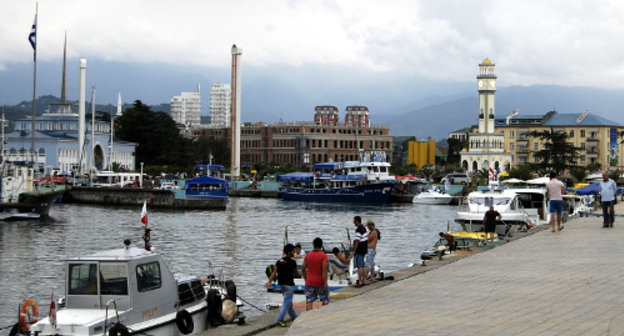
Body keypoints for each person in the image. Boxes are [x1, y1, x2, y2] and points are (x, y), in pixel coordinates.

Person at [265, 243, 299, 327]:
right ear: (289, 252)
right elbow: (296, 273)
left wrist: (269, 281)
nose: (294, 253)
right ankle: (280, 320)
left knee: (289, 304)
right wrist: (298, 275)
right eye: (293, 251)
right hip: (289, 285)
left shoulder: (279, 261)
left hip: (281, 285)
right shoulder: (292, 262)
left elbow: (274, 272)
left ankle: (294, 318)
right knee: (286, 303)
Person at [301, 237, 329, 311]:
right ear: (321, 245)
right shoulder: (323, 256)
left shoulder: (308, 255)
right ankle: (324, 315)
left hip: (310, 281)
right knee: (324, 300)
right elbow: (324, 270)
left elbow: (303, 268)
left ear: (313, 245)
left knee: (309, 300)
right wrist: (325, 282)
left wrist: (305, 278)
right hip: (320, 282)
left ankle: (308, 316)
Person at [351, 216, 368, 287]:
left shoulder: (358, 230)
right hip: (364, 248)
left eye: (354, 221)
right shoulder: (364, 228)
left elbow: (357, 241)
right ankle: (364, 279)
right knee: (362, 265)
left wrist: (354, 251)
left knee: (359, 266)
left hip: (359, 249)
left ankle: (360, 280)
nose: (353, 222)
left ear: (357, 221)